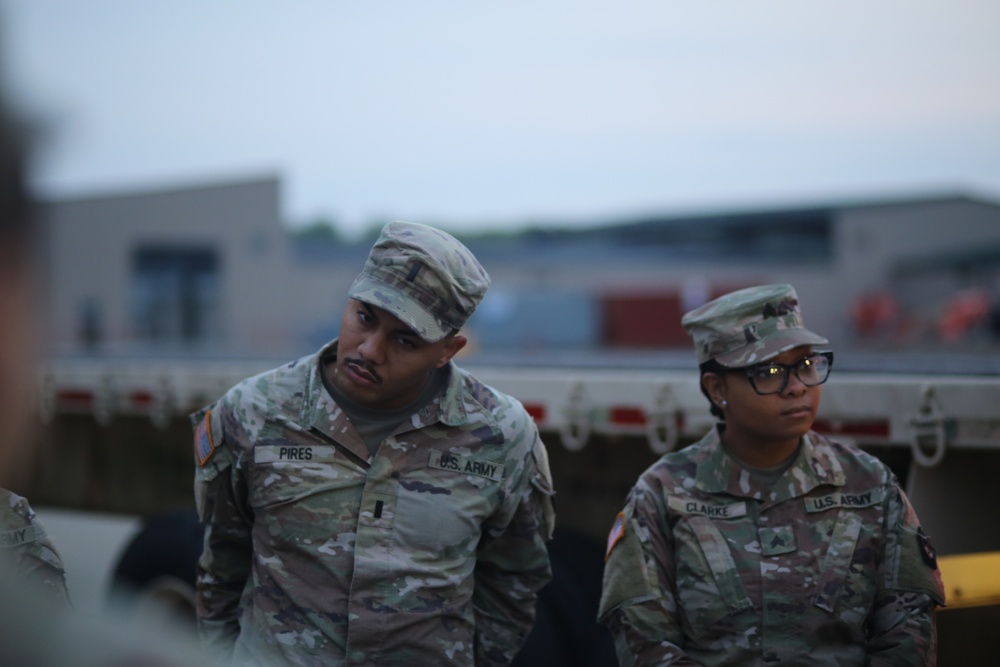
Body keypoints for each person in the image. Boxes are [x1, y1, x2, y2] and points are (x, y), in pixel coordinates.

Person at [193, 221, 556, 667]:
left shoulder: (501, 435)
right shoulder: (253, 412)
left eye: (405, 340)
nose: (369, 350)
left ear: (448, 350)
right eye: (364, 318)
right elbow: (222, 567)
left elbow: (514, 581)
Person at [599, 284, 945, 666]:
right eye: (770, 371)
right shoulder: (663, 493)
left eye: (807, 365)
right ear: (717, 389)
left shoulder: (868, 484)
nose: (797, 387)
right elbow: (643, 639)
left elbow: (909, 630)